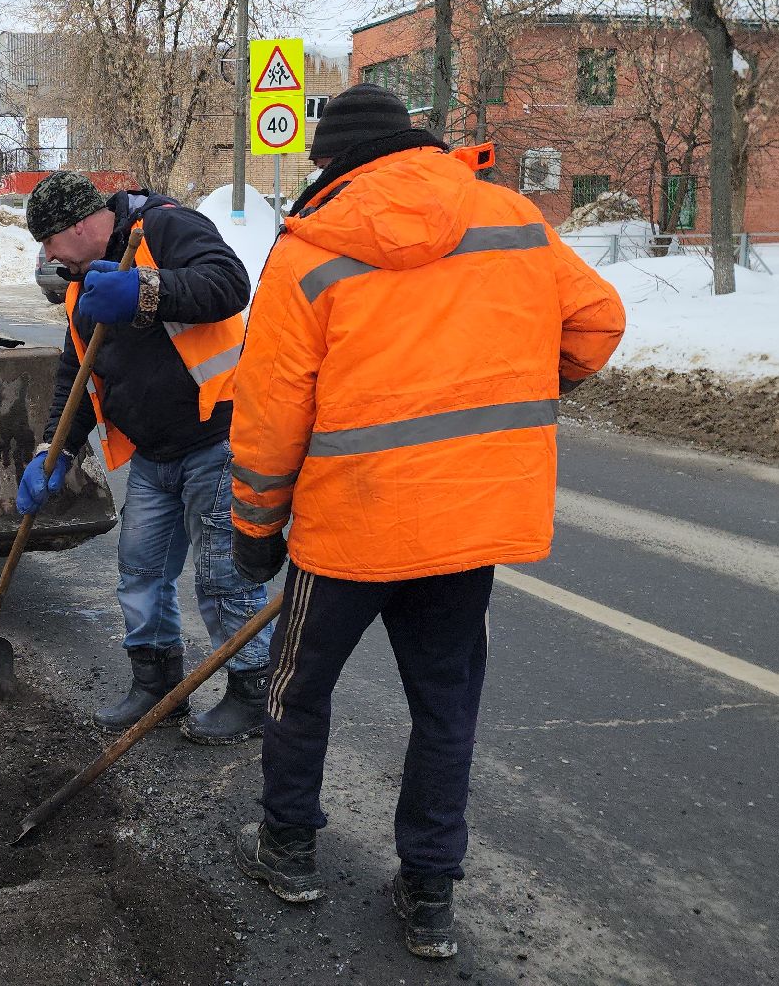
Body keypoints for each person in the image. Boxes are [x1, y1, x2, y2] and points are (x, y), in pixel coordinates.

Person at [226, 84, 626, 959]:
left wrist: (255, 528)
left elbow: (269, 409)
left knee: (298, 690)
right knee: (445, 709)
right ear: (415, 144)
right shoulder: (511, 218)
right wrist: (518, 383)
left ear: (327, 163)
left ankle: (288, 850)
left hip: (350, 527)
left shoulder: (307, 251)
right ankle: (430, 894)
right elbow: (596, 322)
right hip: (465, 523)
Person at [21, 171, 273, 744]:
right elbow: (77, 373)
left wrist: (144, 290)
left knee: (223, 578)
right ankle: (154, 682)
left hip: (216, 438)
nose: (48, 255)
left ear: (82, 226)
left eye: (50, 241)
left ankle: (252, 691)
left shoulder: (163, 226)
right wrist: (52, 451)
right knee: (140, 571)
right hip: (152, 457)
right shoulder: (81, 286)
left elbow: (229, 284)